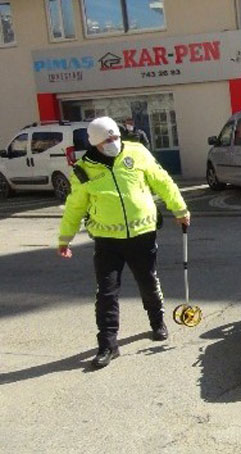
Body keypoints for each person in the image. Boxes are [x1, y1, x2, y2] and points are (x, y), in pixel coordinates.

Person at [57, 116, 190, 369]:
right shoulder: (83, 169)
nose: (114, 142)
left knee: (148, 281)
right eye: (108, 140)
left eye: (116, 136)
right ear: (95, 142)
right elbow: (75, 206)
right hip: (107, 240)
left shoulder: (137, 152)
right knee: (106, 293)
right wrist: (65, 238)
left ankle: (157, 323)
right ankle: (107, 344)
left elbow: (162, 181)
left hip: (142, 233)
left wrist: (180, 210)